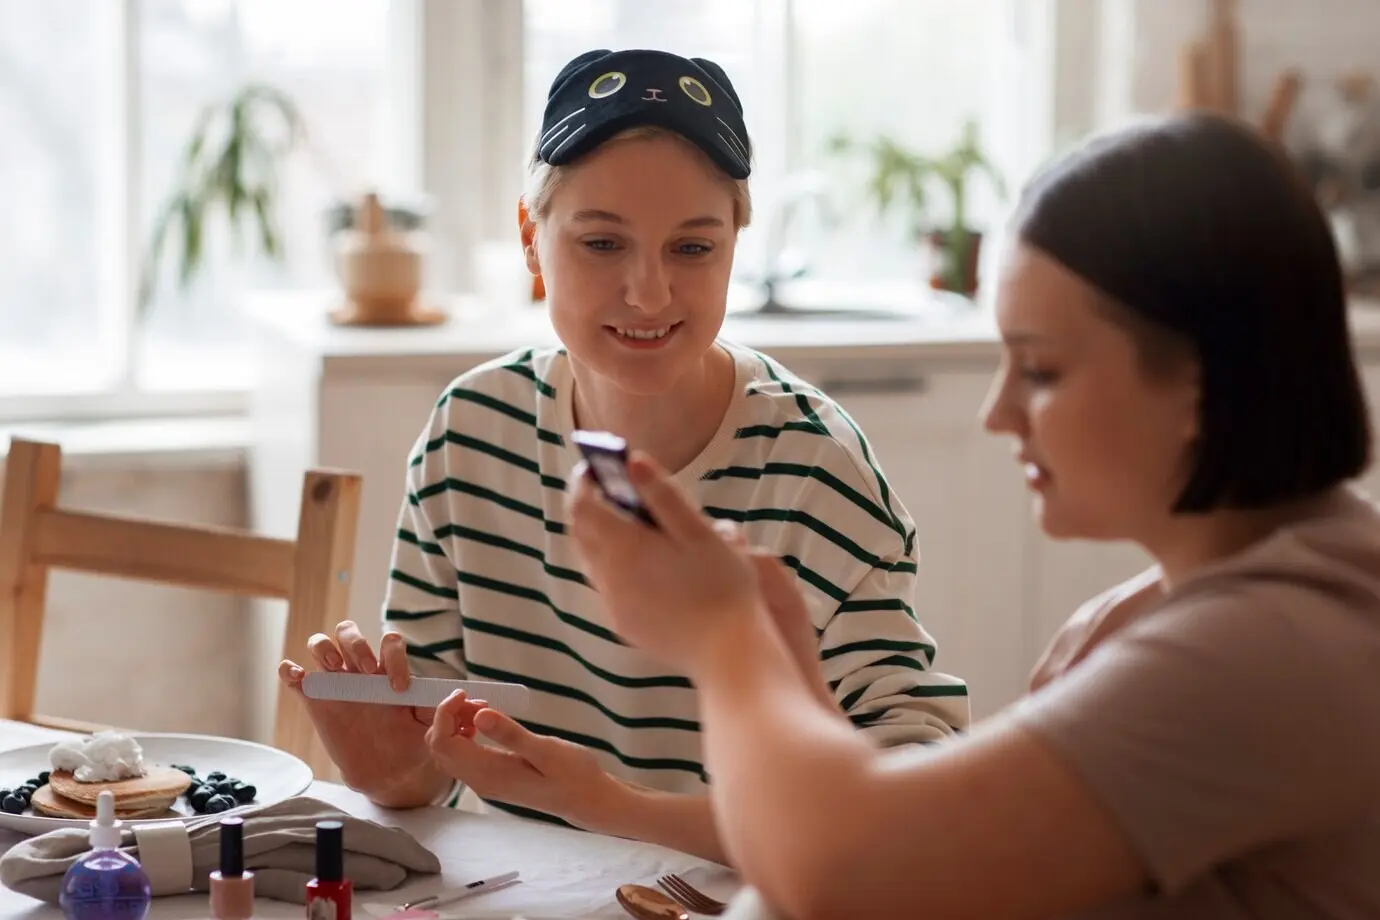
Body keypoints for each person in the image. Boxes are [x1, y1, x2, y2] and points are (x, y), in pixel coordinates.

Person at [564, 111, 1380, 919]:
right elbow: (885, 848)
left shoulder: (1266, 647)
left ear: (1204, 384)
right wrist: (779, 665)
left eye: (1042, 369)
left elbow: (846, 874)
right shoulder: (1188, 607)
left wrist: (722, 637)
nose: (999, 414)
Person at [278, 47, 968, 864]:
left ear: (735, 245)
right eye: (603, 244)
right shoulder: (468, 431)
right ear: (532, 240)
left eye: (692, 249)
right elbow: (436, 762)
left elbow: (914, 797)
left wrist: (613, 806)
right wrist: (390, 766)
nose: (648, 293)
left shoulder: (816, 471)